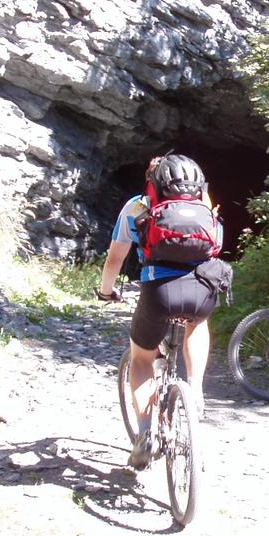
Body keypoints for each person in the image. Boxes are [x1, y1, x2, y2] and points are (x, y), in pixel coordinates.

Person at [98, 154, 221, 469]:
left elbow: (115, 260)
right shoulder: (203, 205)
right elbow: (215, 245)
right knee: (197, 324)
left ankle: (145, 435)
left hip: (159, 292)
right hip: (202, 289)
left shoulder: (136, 207)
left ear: (151, 181)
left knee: (141, 358)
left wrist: (105, 292)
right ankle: (195, 388)